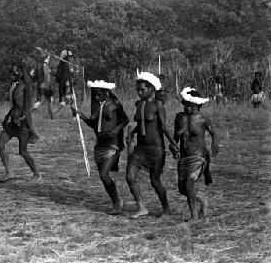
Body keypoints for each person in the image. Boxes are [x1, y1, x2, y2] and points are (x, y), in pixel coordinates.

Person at [126, 72, 179, 219]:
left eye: (142, 90)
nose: (139, 93)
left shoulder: (158, 104)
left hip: (156, 149)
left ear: (151, 89)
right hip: (140, 148)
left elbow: (163, 126)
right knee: (130, 176)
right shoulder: (138, 104)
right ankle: (141, 207)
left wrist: (174, 144)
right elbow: (139, 124)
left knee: (155, 181)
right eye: (138, 90)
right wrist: (130, 134)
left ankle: (166, 208)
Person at [72, 80, 129, 214]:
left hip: (112, 144)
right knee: (104, 176)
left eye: (98, 94)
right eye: (94, 95)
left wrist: (116, 130)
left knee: (104, 174)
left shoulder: (115, 104)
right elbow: (94, 124)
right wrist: (81, 116)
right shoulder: (97, 106)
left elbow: (125, 120)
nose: (96, 97)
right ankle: (116, 199)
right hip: (100, 146)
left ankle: (116, 204)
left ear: (106, 92)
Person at [174, 87, 218, 220]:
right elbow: (175, 138)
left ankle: (194, 217)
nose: (187, 108)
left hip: (199, 157)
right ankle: (201, 200)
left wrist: (214, 143)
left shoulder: (202, 118)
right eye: (185, 104)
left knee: (189, 183)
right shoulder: (179, 118)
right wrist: (173, 146)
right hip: (184, 157)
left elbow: (213, 133)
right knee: (183, 189)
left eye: (190, 105)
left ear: (197, 105)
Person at [0, 61, 41, 182]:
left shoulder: (26, 86)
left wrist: (22, 118)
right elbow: (15, 105)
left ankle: (36, 174)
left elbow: (27, 106)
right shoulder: (15, 86)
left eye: (14, 72)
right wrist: (7, 117)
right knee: (0, 145)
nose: (11, 75)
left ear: (20, 73)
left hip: (23, 124)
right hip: (12, 123)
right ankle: (9, 172)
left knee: (23, 151)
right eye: (11, 72)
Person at [32, 52, 54, 119]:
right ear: (46, 59)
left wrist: (36, 79)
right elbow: (47, 77)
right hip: (45, 86)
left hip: (41, 86)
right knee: (42, 102)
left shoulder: (38, 65)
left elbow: (31, 73)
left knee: (50, 100)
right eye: (48, 58)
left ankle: (51, 116)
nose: (49, 59)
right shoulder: (45, 66)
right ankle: (28, 111)